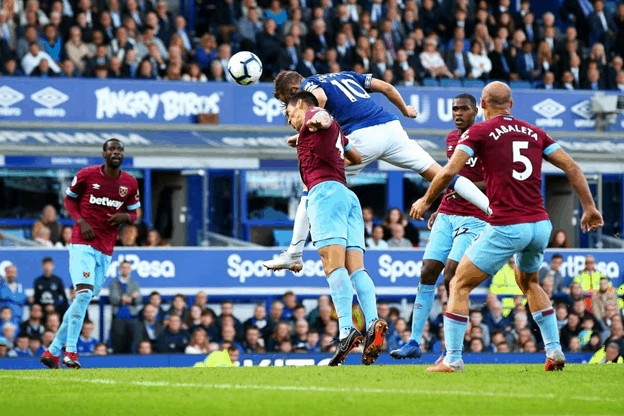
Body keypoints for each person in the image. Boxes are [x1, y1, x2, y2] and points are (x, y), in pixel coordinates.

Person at [411, 81, 604, 373]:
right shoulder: (536, 132)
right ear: (511, 105)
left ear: (483, 105)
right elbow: (573, 167)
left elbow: (450, 171)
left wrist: (427, 200)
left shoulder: (479, 130)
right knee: (530, 282)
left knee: (459, 283)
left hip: (507, 224)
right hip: (539, 225)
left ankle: (452, 358)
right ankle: (554, 351)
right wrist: (589, 207)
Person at [264, 70, 491, 272]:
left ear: (294, 89)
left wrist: (308, 130)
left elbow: (320, 99)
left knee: (312, 180)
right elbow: (386, 87)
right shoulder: (344, 74)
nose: (291, 110)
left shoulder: (308, 86)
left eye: (289, 103)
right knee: (442, 174)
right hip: (392, 128)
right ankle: (492, 211)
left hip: (364, 135)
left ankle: (294, 253)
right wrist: (405, 110)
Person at [283, 90, 388, 366]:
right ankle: (373, 321)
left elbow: (321, 117)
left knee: (333, 266)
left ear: (299, 105)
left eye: (289, 114)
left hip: (325, 194)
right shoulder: (335, 132)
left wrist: (316, 121)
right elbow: (353, 156)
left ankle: (346, 330)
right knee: (357, 268)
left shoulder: (315, 117)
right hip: (347, 196)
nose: (289, 120)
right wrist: (309, 139)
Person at [390, 94, 488, 360]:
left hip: (474, 217)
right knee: (428, 271)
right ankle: (413, 342)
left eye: (463, 109)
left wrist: (461, 191)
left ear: (475, 111)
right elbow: (449, 178)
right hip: (447, 213)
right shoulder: (451, 139)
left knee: (452, 278)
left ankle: (450, 348)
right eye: (454, 109)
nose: (458, 113)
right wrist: (440, 206)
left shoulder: (486, 139)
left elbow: (489, 182)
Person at [41, 139, 141, 370]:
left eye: (119, 150)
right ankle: (71, 352)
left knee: (83, 300)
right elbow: (69, 199)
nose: (116, 152)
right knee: (83, 295)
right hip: (82, 243)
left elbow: (135, 214)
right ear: (104, 153)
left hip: (106, 249)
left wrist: (124, 217)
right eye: (112, 149)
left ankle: (53, 350)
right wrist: (80, 220)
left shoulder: (129, 183)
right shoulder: (87, 175)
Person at [109, 260, 142, 353]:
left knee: (131, 345)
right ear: (120, 269)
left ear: (130, 269)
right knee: (118, 345)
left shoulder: (135, 283)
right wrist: (131, 297)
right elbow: (114, 299)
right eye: (123, 267)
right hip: (118, 319)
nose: (125, 269)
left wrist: (124, 298)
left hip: (132, 318)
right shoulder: (114, 283)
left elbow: (139, 299)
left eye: (128, 267)